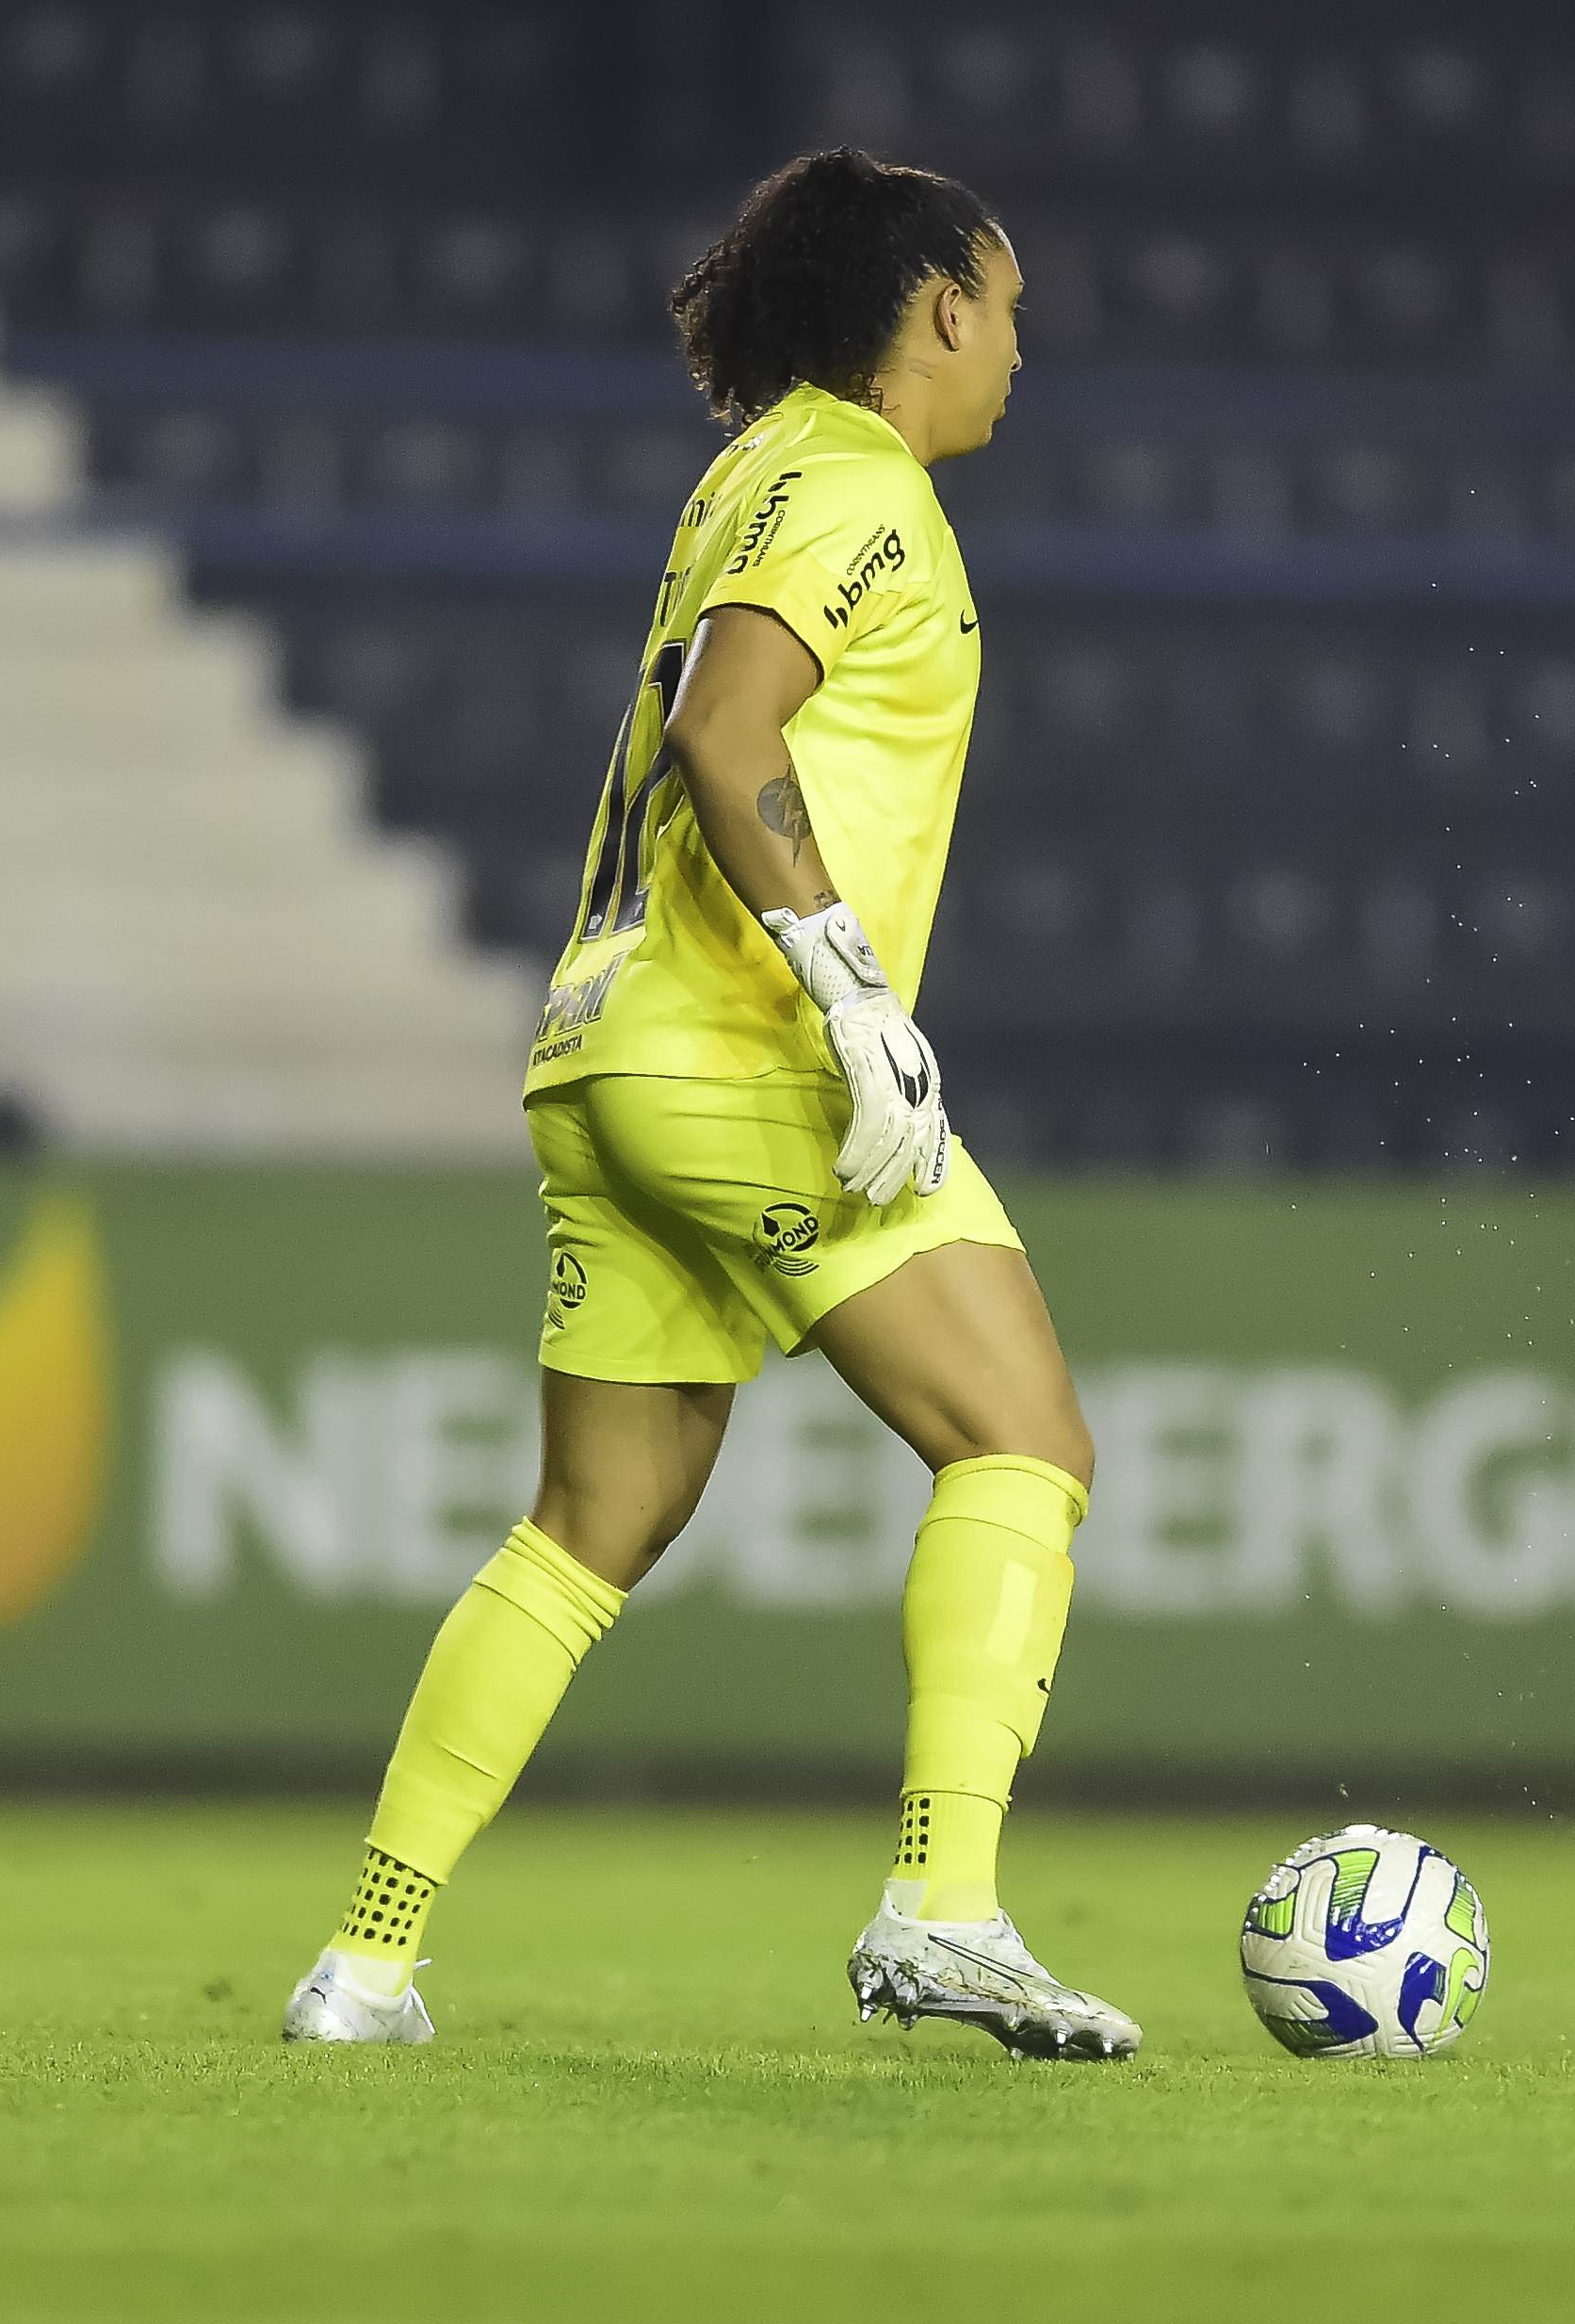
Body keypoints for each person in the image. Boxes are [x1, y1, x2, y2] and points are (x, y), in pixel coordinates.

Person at [282, 150, 1136, 2060]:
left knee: (596, 1518)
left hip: (602, 1049)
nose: (1018, 346)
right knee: (1027, 1441)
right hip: (744, 1057)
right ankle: (947, 1903)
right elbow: (724, 729)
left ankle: (367, 1959)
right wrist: (854, 1002)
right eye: (1007, 309)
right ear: (936, 310)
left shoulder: (749, 474)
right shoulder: (862, 495)